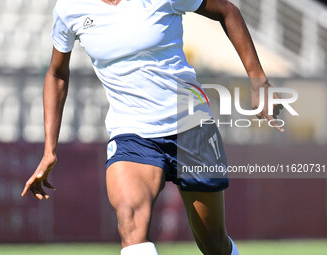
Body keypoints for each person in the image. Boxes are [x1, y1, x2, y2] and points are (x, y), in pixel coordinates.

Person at [21, 0, 283, 254]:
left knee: (213, 244)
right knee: (130, 222)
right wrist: (49, 149)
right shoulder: (70, 8)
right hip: (132, 134)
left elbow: (226, 10)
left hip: (191, 127)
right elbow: (56, 74)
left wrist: (259, 81)